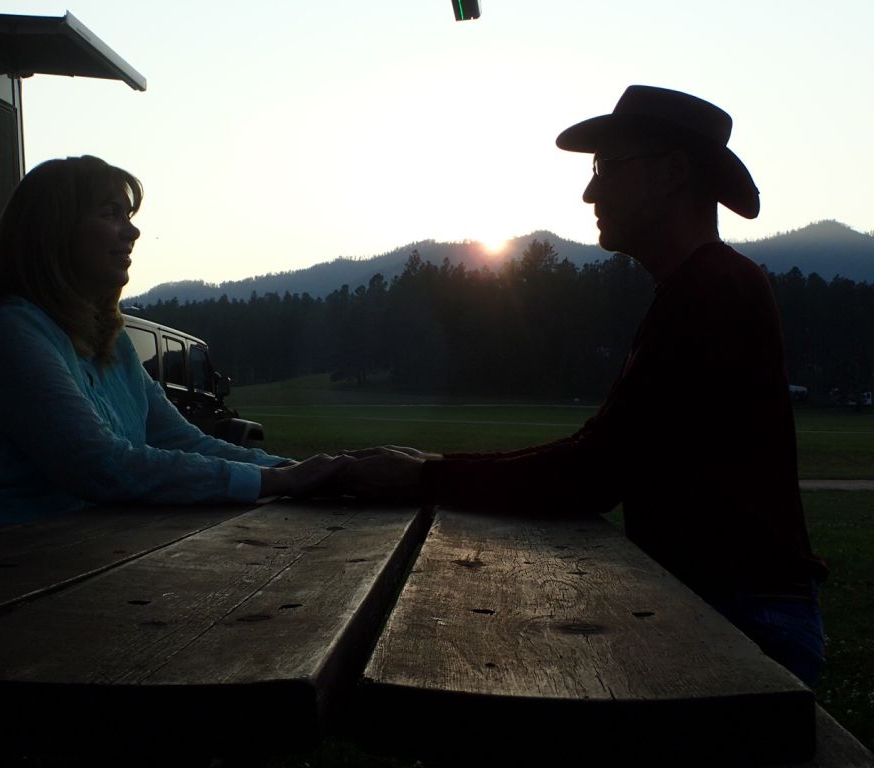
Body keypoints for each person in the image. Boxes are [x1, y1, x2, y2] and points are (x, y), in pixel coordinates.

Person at [339, 86, 829, 686]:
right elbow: (602, 449)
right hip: (735, 607)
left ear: (673, 173)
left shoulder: (712, 293)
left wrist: (423, 476)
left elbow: (593, 472)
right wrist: (432, 467)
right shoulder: (698, 287)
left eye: (606, 168)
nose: (590, 191)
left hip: (746, 622)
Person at [0, 156, 347, 549]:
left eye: (129, 215)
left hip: (42, 563)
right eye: (112, 214)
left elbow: (181, 440)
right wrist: (277, 480)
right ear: (55, 233)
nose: (133, 231)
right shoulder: (11, 334)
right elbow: (100, 464)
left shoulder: (109, 344)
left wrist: (303, 470)